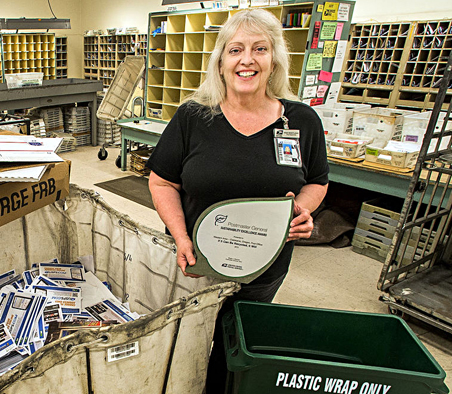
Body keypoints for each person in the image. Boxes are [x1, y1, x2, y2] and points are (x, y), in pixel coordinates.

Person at [146, 8, 329, 392]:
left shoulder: (302, 121)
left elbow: (316, 181)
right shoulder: (193, 117)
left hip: (263, 270)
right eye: (236, 50)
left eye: (260, 49)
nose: (247, 60)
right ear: (221, 62)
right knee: (185, 348)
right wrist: (181, 237)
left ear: (275, 60)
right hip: (195, 265)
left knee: (238, 350)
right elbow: (162, 182)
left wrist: (303, 211)